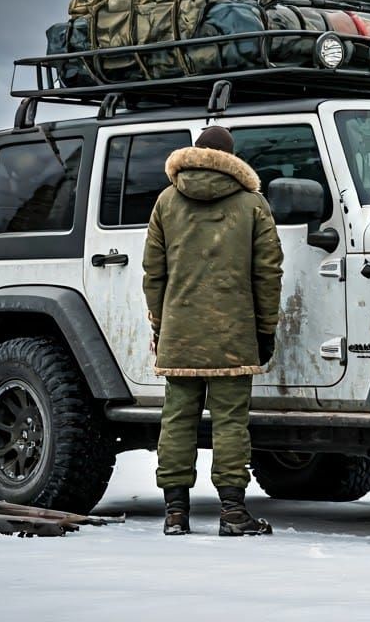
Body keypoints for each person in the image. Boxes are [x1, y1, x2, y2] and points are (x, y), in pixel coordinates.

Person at [143, 125, 283, 536]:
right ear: (231, 157)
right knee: (230, 422)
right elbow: (268, 272)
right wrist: (266, 328)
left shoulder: (166, 201)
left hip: (179, 333)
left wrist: (159, 322)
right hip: (233, 334)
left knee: (177, 420)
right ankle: (233, 514)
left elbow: (154, 271)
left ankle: (174, 515)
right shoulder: (252, 204)